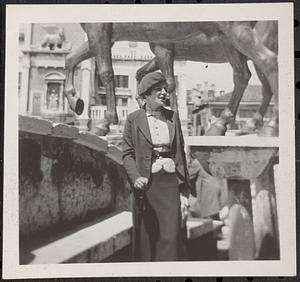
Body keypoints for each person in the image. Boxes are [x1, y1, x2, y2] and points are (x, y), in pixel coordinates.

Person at [122, 72, 190, 261]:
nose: (163, 93)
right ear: (146, 94)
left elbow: (181, 154)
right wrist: (136, 178)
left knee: (171, 237)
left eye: (164, 89)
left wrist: (184, 190)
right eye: (157, 89)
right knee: (147, 238)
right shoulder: (133, 119)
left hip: (170, 184)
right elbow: (127, 154)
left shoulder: (172, 117)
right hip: (146, 185)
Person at [187, 153, 228, 220]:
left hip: (207, 202)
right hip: (215, 203)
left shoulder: (197, 163)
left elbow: (186, 176)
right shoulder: (212, 163)